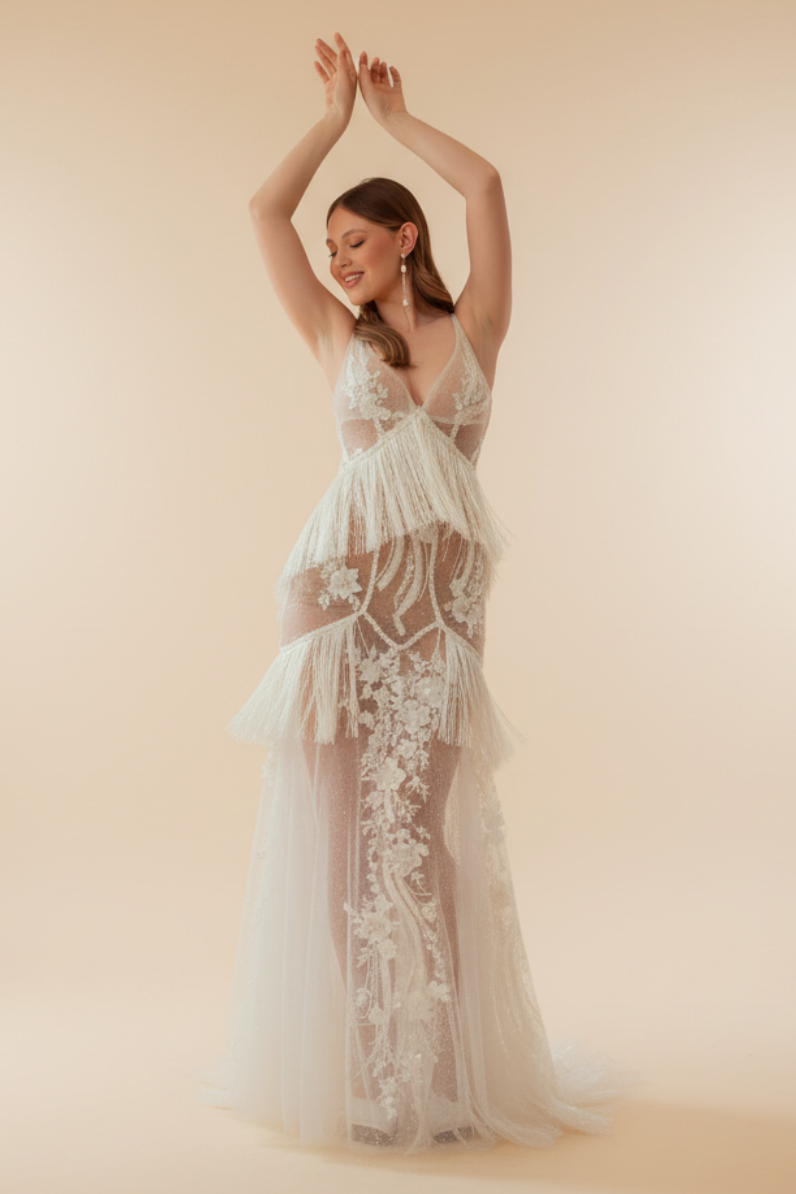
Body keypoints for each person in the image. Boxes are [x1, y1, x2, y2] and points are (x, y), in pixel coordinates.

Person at [193, 32, 630, 1154]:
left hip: (440, 618)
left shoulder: (477, 328)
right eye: (331, 246)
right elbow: (262, 210)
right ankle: (373, 1073)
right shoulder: (336, 335)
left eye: (355, 240)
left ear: (405, 238)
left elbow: (485, 185)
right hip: (336, 607)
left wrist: (392, 120)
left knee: (422, 838)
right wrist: (331, 121)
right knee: (346, 839)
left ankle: (437, 1071)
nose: (338, 259)